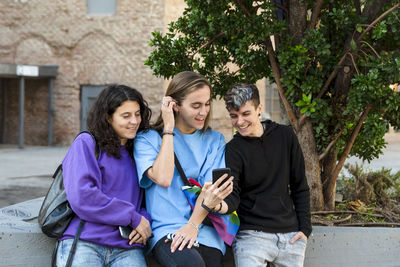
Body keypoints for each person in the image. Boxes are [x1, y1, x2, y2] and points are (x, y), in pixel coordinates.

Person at [134, 71, 233, 267]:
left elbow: (210, 192)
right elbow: (163, 178)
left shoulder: (214, 141)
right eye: (196, 105)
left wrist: (192, 226)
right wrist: (168, 128)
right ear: (175, 106)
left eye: (207, 104)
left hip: (205, 229)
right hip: (167, 230)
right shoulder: (147, 139)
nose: (203, 112)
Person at [56, 85, 153, 267]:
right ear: (108, 117)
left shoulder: (139, 151)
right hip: (86, 242)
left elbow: (147, 200)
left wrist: (145, 220)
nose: (134, 121)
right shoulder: (87, 143)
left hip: (128, 246)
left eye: (137, 114)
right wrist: (133, 217)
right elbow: (83, 197)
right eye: (126, 116)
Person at [223, 83, 312, 267]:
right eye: (234, 116)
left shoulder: (285, 136)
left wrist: (305, 229)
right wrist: (218, 204)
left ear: (259, 109)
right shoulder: (233, 149)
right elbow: (234, 196)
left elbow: (300, 186)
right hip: (251, 236)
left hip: (290, 236)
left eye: (245, 113)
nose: (239, 122)